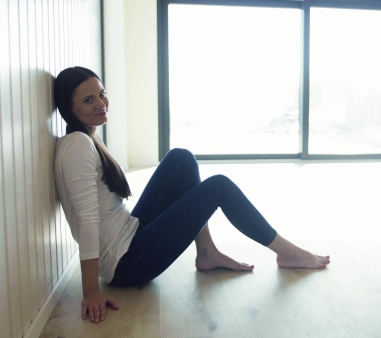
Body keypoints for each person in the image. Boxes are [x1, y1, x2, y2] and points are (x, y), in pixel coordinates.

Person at [53, 66, 330, 324]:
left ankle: (207, 253)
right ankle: (287, 252)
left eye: (101, 94)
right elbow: (87, 222)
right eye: (89, 100)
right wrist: (90, 291)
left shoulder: (88, 137)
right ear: (69, 109)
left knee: (181, 159)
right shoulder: (79, 146)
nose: (101, 104)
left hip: (129, 235)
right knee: (218, 186)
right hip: (126, 263)